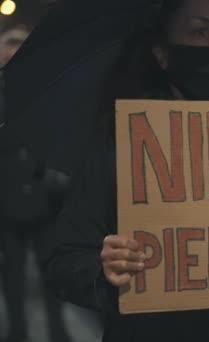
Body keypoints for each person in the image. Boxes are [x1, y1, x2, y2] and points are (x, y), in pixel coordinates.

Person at [39, 1, 209, 341]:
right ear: (162, 54)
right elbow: (63, 261)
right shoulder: (122, 144)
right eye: (201, 31)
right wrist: (105, 270)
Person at [0, 25, 73, 342]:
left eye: (20, 47)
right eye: (9, 46)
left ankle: (59, 331)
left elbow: (63, 138)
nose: (13, 53)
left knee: (51, 272)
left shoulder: (48, 91)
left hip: (46, 199)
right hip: (6, 200)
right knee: (12, 276)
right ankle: (17, 332)